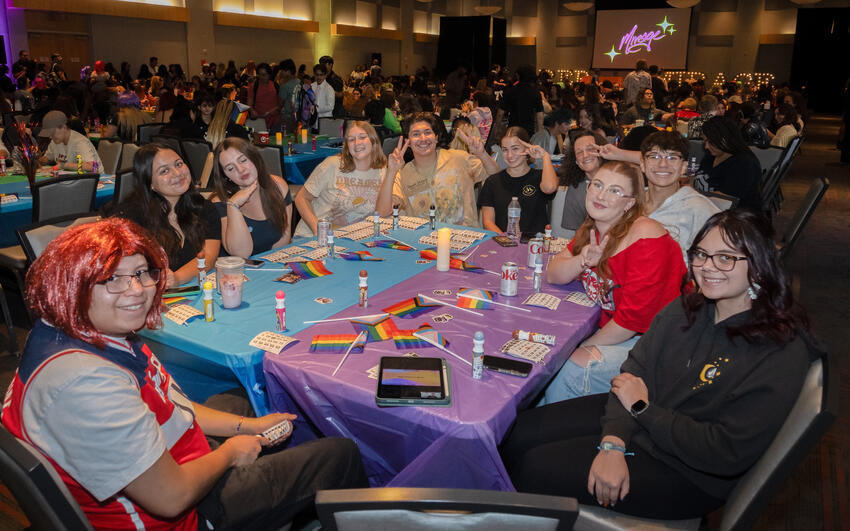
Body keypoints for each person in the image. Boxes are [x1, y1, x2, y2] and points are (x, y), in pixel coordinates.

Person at [1, 218, 367, 529]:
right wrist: (232, 453)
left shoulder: (77, 332)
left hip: (170, 462)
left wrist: (246, 427)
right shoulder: (83, 383)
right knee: (341, 453)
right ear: (71, 285)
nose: (138, 290)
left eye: (142, 273)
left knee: (245, 399)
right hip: (186, 514)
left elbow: (169, 402)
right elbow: (170, 499)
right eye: (114, 278)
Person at [501, 209, 815, 520]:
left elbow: (725, 452)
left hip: (687, 471)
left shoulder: (777, 349)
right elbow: (633, 373)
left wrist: (642, 410)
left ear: (759, 266)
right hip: (644, 422)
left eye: (726, 258)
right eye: (701, 255)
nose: (707, 267)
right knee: (516, 434)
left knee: (533, 468)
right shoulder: (688, 308)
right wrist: (614, 440)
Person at [540, 161, 686, 403]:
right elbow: (554, 273)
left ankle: (546, 432)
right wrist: (582, 260)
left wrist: (578, 347)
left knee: (567, 367)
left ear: (629, 203)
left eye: (615, 191)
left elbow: (630, 322)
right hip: (617, 331)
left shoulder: (646, 237)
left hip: (657, 345)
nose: (601, 195)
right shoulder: (593, 228)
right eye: (597, 185)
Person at [594, 131, 720, 262]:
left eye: (672, 158)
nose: (663, 164)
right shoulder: (629, 202)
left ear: (683, 167)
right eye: (654, 157)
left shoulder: (698, 209)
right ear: (642, 164)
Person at [116, 143, 220, 287]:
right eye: (164, 171)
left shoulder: (202, 207)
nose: (177, 173)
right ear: (149, 182)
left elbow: (209, 256)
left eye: (179, 164)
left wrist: (176, 278)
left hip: (190, 289)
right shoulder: (133, 218)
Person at [377, 112, 501, 227]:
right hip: (426, 244)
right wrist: (391, 171)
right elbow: (382, 212)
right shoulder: (403, 174)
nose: (423, 138)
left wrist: (482, 154)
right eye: (416, 134)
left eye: (427, 132)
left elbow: (497, 176)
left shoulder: (459, 159)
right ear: (407, 142)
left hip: (465, 239)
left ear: (436, 138)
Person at [295, 121, 403, 237]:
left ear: (373, 141)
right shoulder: (332, 165)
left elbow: (383, 214)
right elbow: (301, 198)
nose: (357, 143)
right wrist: (317, 229)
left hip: (350, 239)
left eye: (362, 137)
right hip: (311, 236)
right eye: (351, 139)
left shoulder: (383, 171)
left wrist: (392, 171)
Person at [211, 137, 292, 257]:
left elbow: (283, 239)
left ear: (254, 158)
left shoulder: (278, 186)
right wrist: (233, 205)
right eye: (230, 168)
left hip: (269, 264)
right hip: (235, 271)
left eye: (243, 160)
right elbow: (241, 254)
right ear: (225, 176)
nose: (240, 170)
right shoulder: (219, 202)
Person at [479, 127, 558, 234]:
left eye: (515, 148)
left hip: (534, 245)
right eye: (505, 150)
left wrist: (545, 156)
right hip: (503, 243)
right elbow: (488, 222)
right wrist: (506, 240)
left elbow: (549, 188)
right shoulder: (493, 182)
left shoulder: (540, 177)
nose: (510, 155)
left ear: (527, 148)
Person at [696, 116, 762, 211]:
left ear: (725, 138)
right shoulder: (711, 155)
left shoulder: (744, 164)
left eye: (710, 142)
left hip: (735, 218)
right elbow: (696, 178)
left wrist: (692, 196)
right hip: (708, 209)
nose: (706, 146)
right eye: (704, 141)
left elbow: (725, 200)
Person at [558, 130, 607, 237]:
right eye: (579, 152)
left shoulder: (620, 182)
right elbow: (579, 235)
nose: (585, 155)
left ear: (602, 151)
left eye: (590, 149)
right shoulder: (576, 189)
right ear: (576, 161)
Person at [38, 110, 103, 172]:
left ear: (64, 127)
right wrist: (37, 161)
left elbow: (93, 166)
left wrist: (64, 165)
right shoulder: (55, 141)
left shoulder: (80, 142)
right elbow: (48, 158)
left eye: (52, 133)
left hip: (98, 180)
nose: (50, 136)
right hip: (73, 180)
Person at [502, 64, 544, 136]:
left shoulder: (510, 91)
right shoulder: (536, 93)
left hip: (512, 129)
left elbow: (500, 113)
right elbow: (539, 115)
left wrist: (497, 130)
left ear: (518, 76)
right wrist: (540, 133)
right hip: (529, 130)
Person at [246, 62, 280, 129]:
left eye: (264, 75)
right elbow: (249, 104)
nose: (261, 77)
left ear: (269, 75)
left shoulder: (275, 86)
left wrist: (275, 110)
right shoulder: (253, 86)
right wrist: (252, 111)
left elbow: (281, 103)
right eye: (260, 75)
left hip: (275, 121)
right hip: (260, 122)